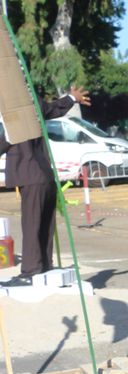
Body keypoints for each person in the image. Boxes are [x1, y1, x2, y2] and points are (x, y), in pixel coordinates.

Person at [0, 84, 88, 287]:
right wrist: (72, 98)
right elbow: (52, 108)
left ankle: (31, 271)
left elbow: (5, 142)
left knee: (32, 224)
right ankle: (44, 266)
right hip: (45, 174)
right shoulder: (32, 103)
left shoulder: (14, 117)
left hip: (30, 174)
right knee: (44, 224)